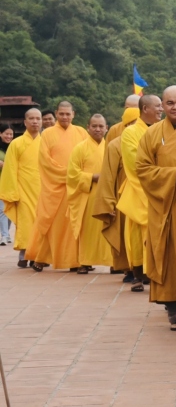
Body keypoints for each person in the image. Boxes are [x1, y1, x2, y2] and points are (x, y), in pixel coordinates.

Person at [136, 86, 176, 330]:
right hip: (164, 204)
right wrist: (174, 175)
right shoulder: (152, 134)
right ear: (162, 105)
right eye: (170, 103)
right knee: (170, 255)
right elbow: (141, 168)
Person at [26, 101, 89, 271]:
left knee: (73, 225)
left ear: (73, 114)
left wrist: (80, 177)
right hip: (55, 188)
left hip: (75, 188)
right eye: (61, 114)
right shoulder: (47, 134)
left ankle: (75, 261)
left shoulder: (81, 132)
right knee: (50, 223)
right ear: (56, 114)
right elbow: (46, 163)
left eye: (68, 114)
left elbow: (88, 157)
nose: (65, 117)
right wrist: (71, 175)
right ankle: (41, 258)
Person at [90, 96, 141, 278]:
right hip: (122, 195)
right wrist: (107, 201)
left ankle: (144, 270)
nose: (134, 127)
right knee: (123, 233)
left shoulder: (149, 139)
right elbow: (108, 173)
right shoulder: (115, 142)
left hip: (144, 195)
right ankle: (128, 268)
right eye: (130, 123)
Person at [119, 94, 163, 292]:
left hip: (162, 187)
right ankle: (137, 274)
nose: (161, 110)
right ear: (145, 109)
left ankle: (156, 273)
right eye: (158, 106)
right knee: (137, 236)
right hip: (139, 189)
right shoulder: (130, 133)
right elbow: (134, 162)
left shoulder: (164, 130)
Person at [66, 114, 112, 274]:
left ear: (107, 128)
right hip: (88, 195)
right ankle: (85, 262)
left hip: (107, 195)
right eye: (94, 126)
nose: (98, 129)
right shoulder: (79, 148)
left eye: (101, 126)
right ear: (88, 127)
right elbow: (72, 175)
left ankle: (113, 262)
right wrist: (92, 177)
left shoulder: (110, 147)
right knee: (87, 231)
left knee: (109, 228)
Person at [0, 108, 43, 268]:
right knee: (25, 223)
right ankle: (24, 254)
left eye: (37, 118)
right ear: (25, 122)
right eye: (31, 118)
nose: (35, 121)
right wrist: (12, 192)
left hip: (42, 189)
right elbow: (10, 169)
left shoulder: (45, 142)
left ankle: (37, 254)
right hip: (23, 189)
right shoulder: (16, 144)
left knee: (40, 223)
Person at [0, 125, 12, 246]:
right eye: (6, 134)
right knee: (3, 210)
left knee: (9, 210)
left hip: (10, 183)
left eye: (11, 134)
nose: (9, 136)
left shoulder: (13, 147)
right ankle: (4, 235)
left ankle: (6, 233)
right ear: (1, 134)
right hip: (0, 183)